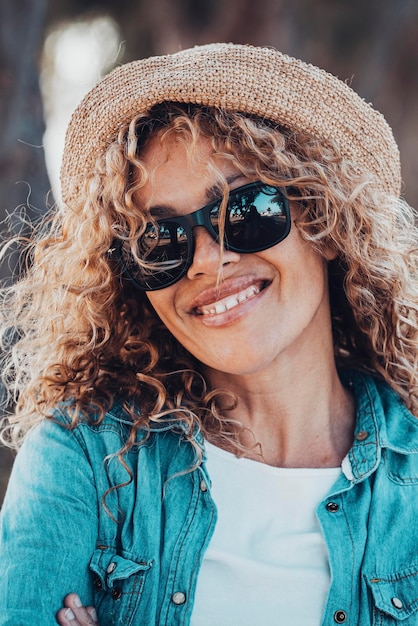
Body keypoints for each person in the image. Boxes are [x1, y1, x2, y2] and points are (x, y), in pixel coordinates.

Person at [0, 42, 417, 626]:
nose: (205, 260)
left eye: (244, 211)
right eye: (161, 239)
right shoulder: (84, 460)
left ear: (325, 221)